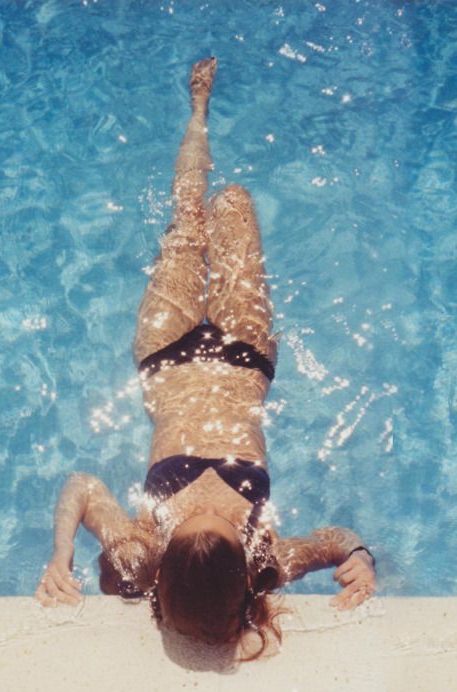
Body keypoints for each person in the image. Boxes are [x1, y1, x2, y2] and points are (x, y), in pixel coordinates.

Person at [36, 58, 376, 659]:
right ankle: (200, 113)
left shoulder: (143, 551)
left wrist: (61, 554)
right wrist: (360, 556)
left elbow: (82, 487)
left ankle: (197, 109)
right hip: (244, 359)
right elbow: (334, 541)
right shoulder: (265, 556)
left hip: (166, 355)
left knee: (190, 213)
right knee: (233, 202)